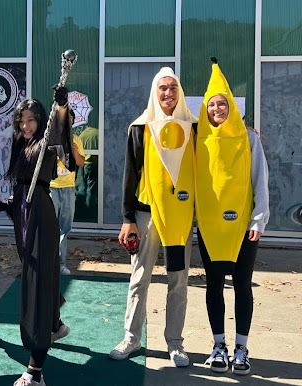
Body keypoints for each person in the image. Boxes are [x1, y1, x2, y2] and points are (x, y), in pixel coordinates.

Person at [0, 86, 74, 386]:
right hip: (23, 216)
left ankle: (35, 370)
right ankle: (54, 323)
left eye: (32, 119)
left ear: (41, 120)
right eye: (22, 119)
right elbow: (20, 191)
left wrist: (61, 107)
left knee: (35, 287)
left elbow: (64, 147)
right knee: (39, 277)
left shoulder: (47, 141)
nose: (26, 125)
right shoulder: (20, 144)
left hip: (41, 217)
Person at [109, 67, 198, 368]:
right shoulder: (141, 127)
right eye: (163, 88)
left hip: (179, 220)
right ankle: (132, 337)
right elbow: (130, 174)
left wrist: (247, 132)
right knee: (139, 279)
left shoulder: (194, 127)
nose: (168, 93)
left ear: (180, 92)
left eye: (173, 88)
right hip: (146, 216)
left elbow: (221, 143)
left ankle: (175, 343)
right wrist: (127, 217)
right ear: (154, 91)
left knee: (178, 281)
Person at [195, 59, 269, 375]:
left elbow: (259, 181)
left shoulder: (248, 139)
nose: (217, 109)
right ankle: (218, 346)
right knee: (214, 285)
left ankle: (241, 348)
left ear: (231, 107)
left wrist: (258, 220)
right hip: (210, 228)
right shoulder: (199, 142)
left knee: (241, 285)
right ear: (205, 109)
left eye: (222, 103)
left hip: (242, 227)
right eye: (211, 104)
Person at [50, 109, 85, 275]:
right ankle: (47, 263)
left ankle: (61, 264)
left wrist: (76, 151)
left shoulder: (76, 139)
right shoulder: (51, 137)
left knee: (64, 228)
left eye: (70, 118)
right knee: (49, 226)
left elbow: (80, 163)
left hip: (68, 188)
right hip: (51, 187)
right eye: (65, 117)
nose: (67, 120)